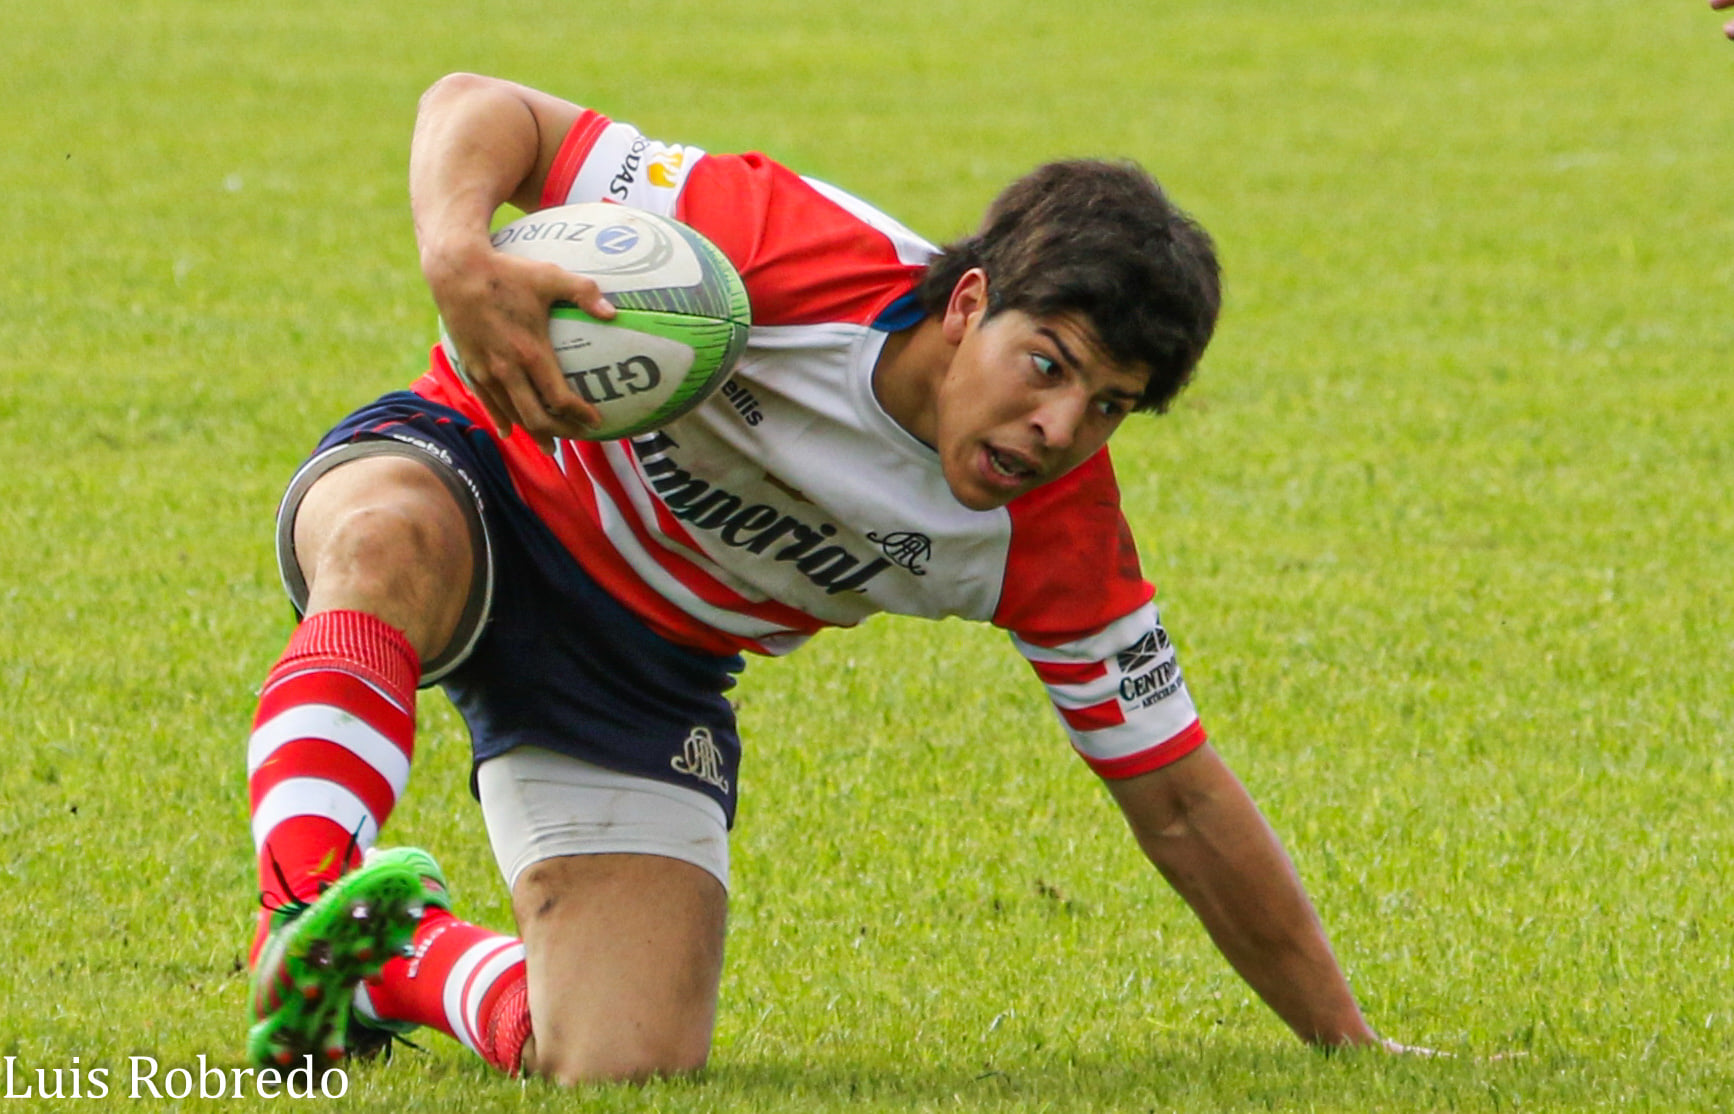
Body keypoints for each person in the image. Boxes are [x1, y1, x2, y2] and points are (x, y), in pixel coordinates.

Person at [244, 71, 1410, 1085]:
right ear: (968, 305)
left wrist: (1349, 1043)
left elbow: (1182, 803)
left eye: (1109, 405)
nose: (1060, 427)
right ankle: (300, 894)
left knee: (621, 1055)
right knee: (381, 539)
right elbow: (481, 107)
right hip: (479, 477)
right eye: (1047, 365)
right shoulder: (790, 246)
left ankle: (385, 959)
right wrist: (458, 249)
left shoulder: (1053, 535)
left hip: (639, 671)